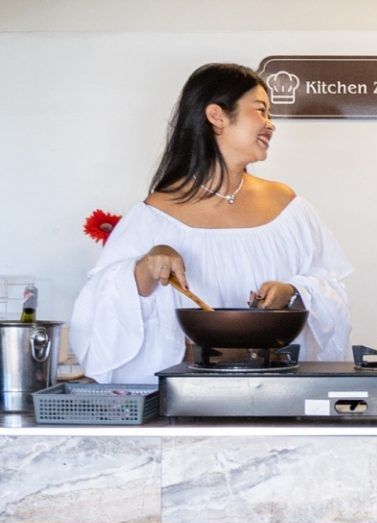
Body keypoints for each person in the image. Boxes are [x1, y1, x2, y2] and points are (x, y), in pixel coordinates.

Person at [71, 62, 352, 382]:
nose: (270, 124)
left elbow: (333, 291)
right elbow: (99, 309)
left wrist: (292, 292)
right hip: (184, 396)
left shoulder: (288, 208)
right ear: (217, 116)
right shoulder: (153, 215)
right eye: (260, 110)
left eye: (269, 113)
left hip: (277, 388)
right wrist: (146, 267)